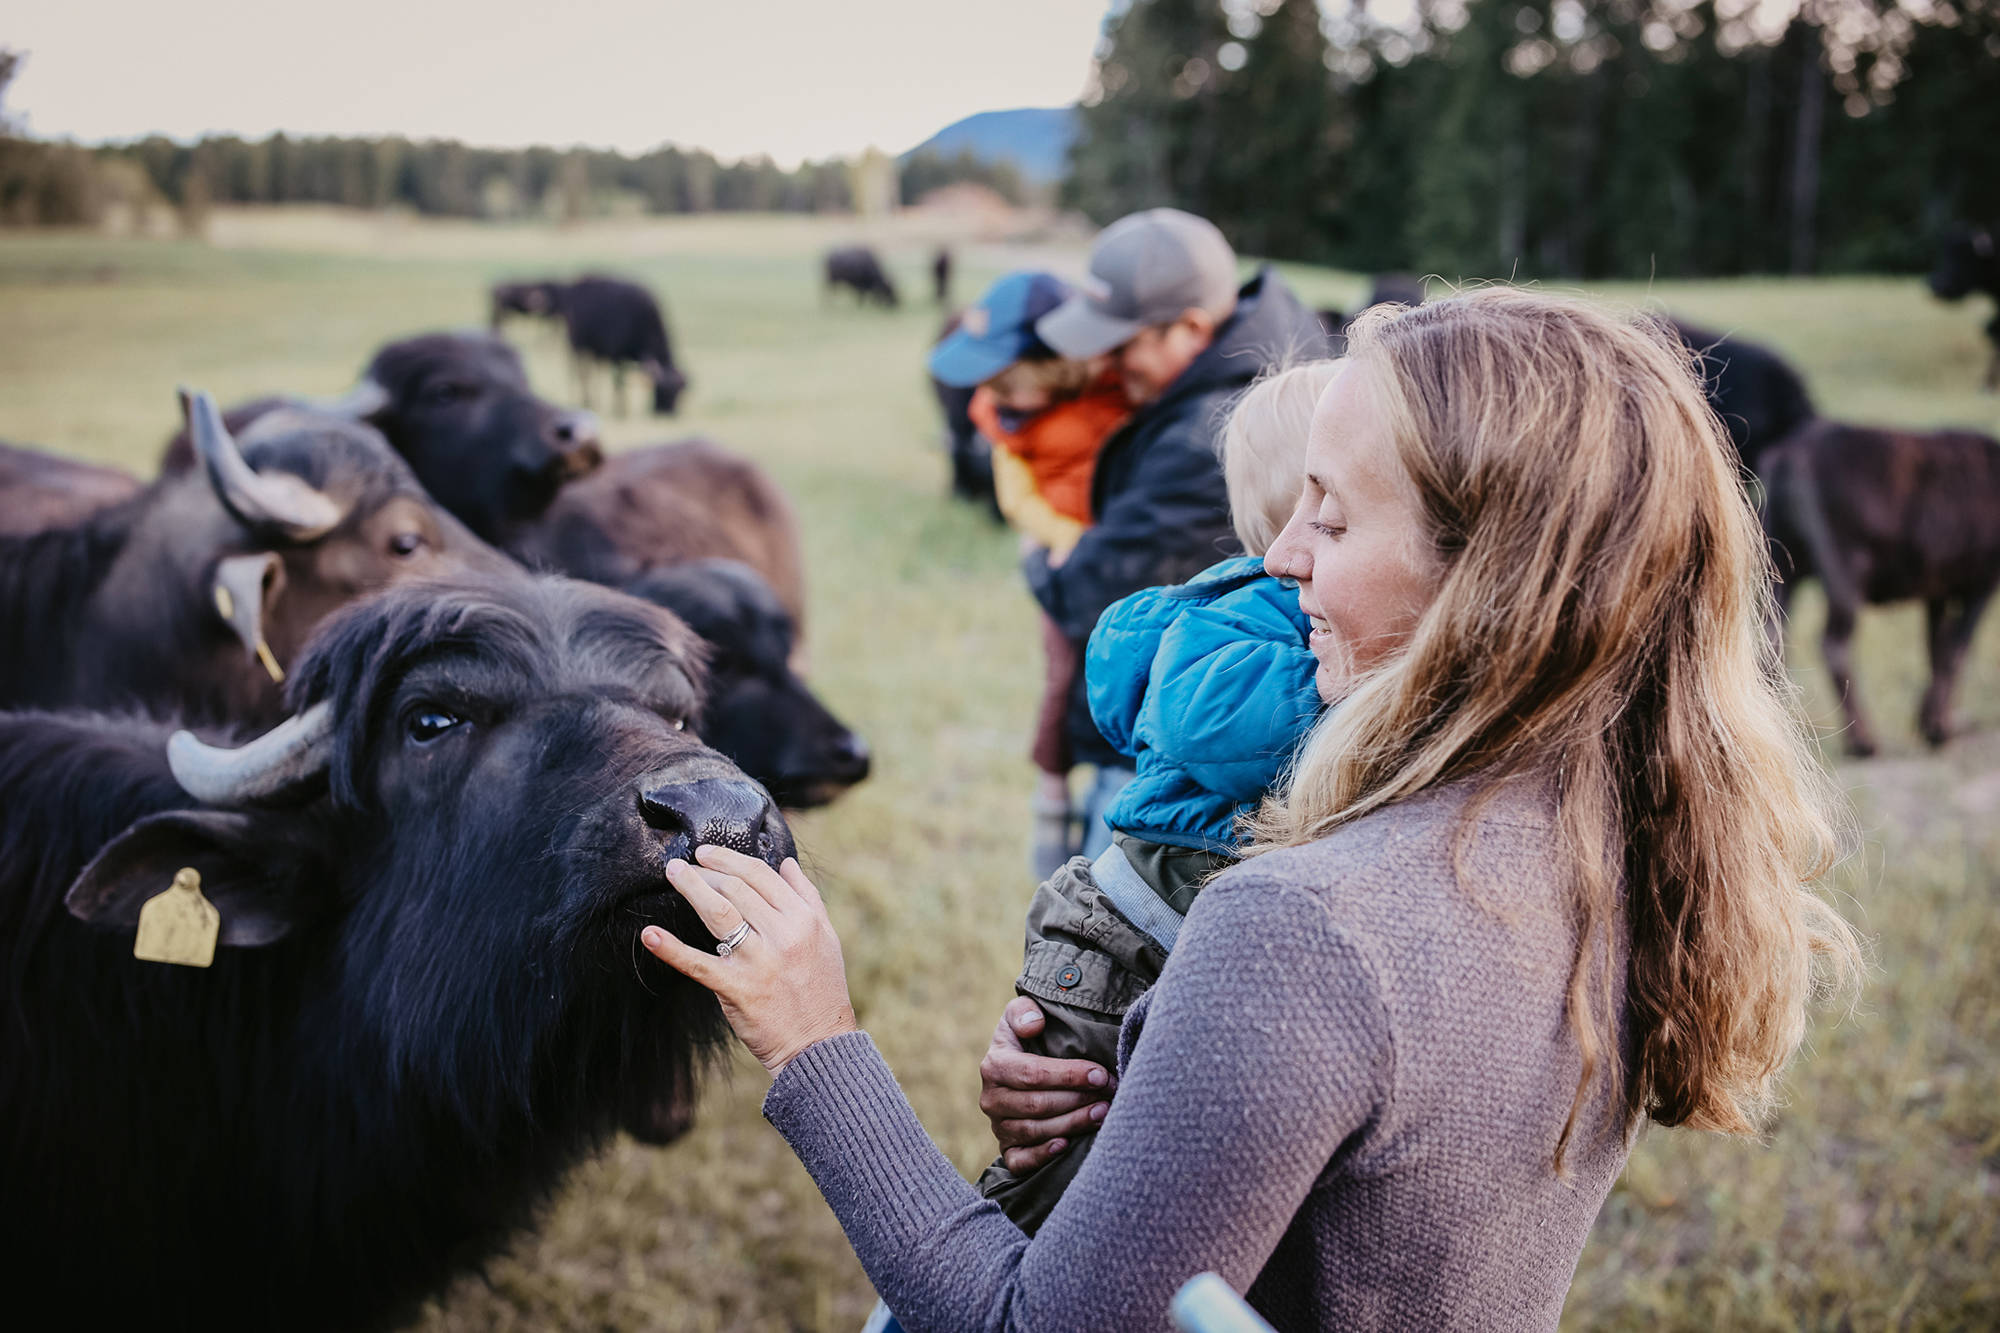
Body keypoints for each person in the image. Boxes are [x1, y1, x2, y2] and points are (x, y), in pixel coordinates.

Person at [639, 289, 1861, 1331]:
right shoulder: (1607, 832)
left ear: (1487, 582)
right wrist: (1139, 1105)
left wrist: (813, 1033)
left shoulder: (1304, 925)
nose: (1280, 558)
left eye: (1329, 515)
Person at [975, 361, 1342, 1235]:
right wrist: (1354, 696)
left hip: (1170, 921)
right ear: (1295, 513)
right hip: (1130, 927)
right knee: (1050, 1176)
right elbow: (1212, 721)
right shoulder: (1250, 611)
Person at [1024, 208, 1327, 859]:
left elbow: (1087, 589)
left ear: (1190, 328)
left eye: (1123, 341)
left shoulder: (1208, 439)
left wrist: (1044, 559)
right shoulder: (1284, 359)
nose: (1105, 363)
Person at [929, 272, 1131, 877]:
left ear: (1060, 364)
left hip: (1122, 559)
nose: (994, 392)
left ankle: (1103, 805)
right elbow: (1014, 497)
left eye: (1008, 378)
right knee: (1065, 674)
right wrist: (1062, 537)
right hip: (1069, 559)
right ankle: (1051, 791)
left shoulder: (1118, 395)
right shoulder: (1009, 419)